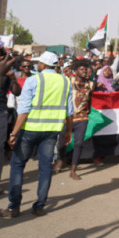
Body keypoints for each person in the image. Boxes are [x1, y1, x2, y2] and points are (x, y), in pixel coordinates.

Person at [3, 52, 73, 218]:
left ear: (43, 64)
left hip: (30, 130)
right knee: (45, 167)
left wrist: (13, 133)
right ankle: (39, 205)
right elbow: (69, 110)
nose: (36, 65)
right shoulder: (65, 81)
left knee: (18, 165)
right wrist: (68, 131)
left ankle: (14, 207)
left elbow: (24, 110)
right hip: (52, 131)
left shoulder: (33, 80)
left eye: (38, 63)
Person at [0, 50, 22, 191]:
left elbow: (17, 92)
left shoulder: (8, 74)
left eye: (4, 58)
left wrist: (13, 78)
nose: (3, 62)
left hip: (1, 113)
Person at [68, 60, 94, 180]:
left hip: (82, 117)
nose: (84, 71)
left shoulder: (91, 84)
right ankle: (60, 160)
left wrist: (87, 110)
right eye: (82, 69)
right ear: (76, 70)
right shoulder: (69, 81)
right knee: (62, 142)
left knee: (78, 143)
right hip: (68, 117)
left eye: (85, 69)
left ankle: (73, 170)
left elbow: (90, 99)